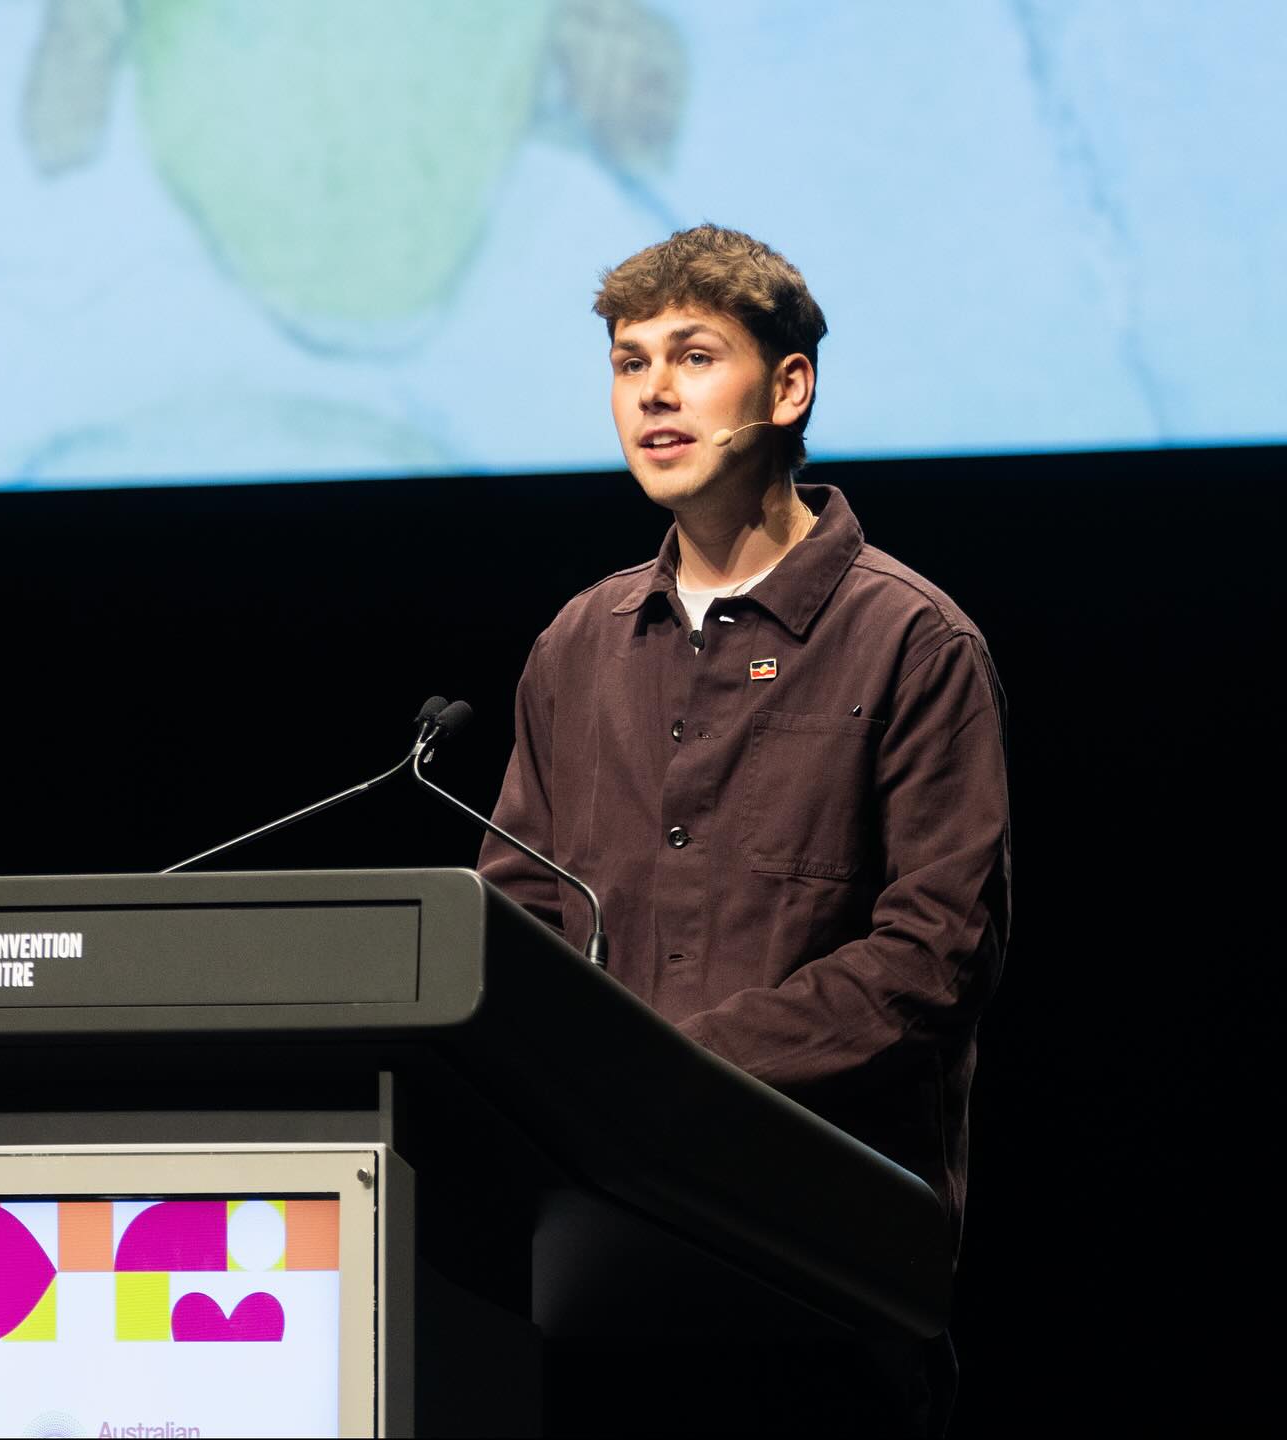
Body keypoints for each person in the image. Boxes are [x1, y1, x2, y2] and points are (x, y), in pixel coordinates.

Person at [479, 223, 1011, 1434]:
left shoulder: (912, 641)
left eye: (693, 356)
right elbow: (514, 921)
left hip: (820, 1274)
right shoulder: (578, 646)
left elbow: (936, 956)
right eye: (629, 363)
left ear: (788, 388)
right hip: (601, 1266)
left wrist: (669, 1075)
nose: (653, 392)